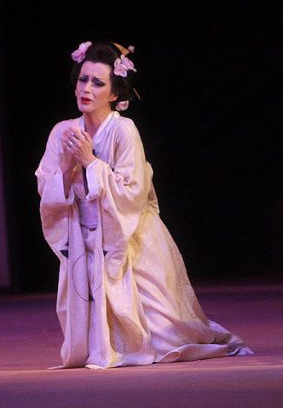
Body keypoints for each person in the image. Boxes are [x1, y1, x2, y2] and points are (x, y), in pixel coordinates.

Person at [35, 40, 251, 369]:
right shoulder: (62, 131)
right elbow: (46, 189)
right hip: (85, 236)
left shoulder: (123, 130)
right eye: (83, 79)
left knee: (165, 336)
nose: (87, 89)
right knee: (94, 338)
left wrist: (91, 162)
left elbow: (132, 192)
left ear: (114, 93)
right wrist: (67, 167)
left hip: (131, 236)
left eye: (98, 83)